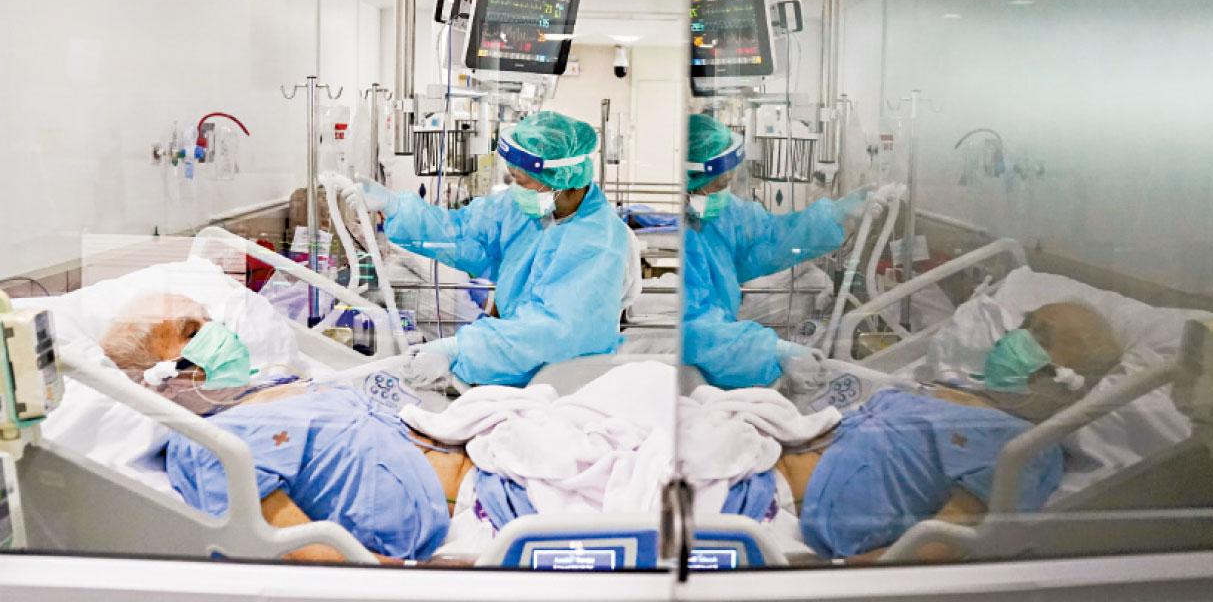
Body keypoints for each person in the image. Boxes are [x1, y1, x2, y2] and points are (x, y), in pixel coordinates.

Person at [100, 293, 467, 563]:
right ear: (159, 379)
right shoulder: (211, 448)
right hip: (469, 519)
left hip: (482, 459)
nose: (218, 332)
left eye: (210, 320)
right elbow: (306, 556)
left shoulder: (276, 382)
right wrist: (428, 578)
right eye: (192, 332)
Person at [781, 301, 1124, 562]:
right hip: (769, 456)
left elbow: (938, 546)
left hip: (785, 514)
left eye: (1040, 336)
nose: (1015, 337)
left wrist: (827, 577)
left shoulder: (1025, 450)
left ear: (1070, 382)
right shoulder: (943, 388)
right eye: (1025, 324)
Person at [345, 111, 630, 387]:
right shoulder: (524, 208)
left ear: (561, 177)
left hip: (566, 381)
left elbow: (554, 331)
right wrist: (396, 206)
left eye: (522, 181)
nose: (516, 188)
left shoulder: (599, 242)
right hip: (512, 363)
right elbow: (463, 233)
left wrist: (460, 349)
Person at [682, 113, 879, 388]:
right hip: (694, 372)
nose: (724, 194)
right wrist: (773, 351)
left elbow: (768, 238)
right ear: (688, 179)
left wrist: (836, 213)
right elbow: (696, 333)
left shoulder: (715, 215)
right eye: (719, 185)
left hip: (720, 355)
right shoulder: (675, 241)